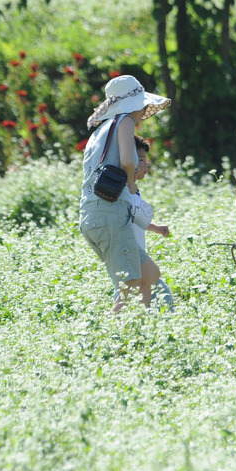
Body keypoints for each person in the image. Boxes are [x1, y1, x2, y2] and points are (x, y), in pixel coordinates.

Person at [79, 74, 171, 312]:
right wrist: (131, 187)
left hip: (92, 216)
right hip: (110, 214)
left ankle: (141, 326)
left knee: (149, 274)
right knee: (130, 286)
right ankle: (114, 330)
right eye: (142, 105)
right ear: (133, 104)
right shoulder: (125, 120)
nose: (144, 111)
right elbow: (127, 162)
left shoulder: (101, 130)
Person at [114, 135, 175, 309]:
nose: (145, 164)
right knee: (161, 297)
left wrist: (154, 227)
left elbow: (134, 217)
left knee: (131, 294)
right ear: (129, 160)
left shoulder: (132, 189)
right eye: (141, 160)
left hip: (133, 253)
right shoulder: (123, 190)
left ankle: (135, 321)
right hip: (128, 252)